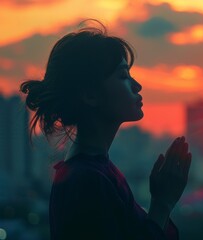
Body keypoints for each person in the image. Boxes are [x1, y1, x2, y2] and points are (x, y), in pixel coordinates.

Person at [19, 19, 192, 240]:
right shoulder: (88, 181)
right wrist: (162, 204)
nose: (137, 86)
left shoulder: (94, 170)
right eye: (122, 76)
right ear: (90, 95)